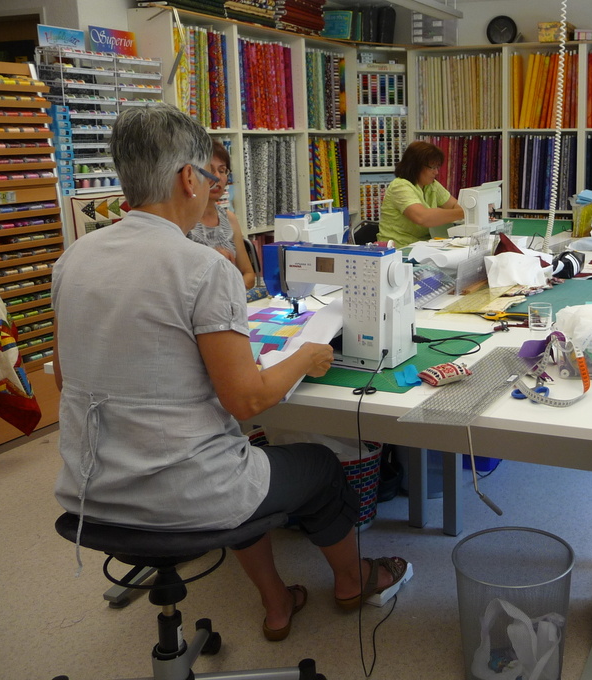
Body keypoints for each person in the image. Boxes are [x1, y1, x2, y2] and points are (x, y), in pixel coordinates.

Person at [53, 104, 408, 642]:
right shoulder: (203, 267)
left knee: (241, 454)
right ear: (187, 178)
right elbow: (247, 401)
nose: (213, 186)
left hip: (91, 492)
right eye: (209, 174)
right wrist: (307, 357)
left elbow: (66, 381)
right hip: (188, 493)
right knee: (317, 465)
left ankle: (277, 602)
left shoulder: (74, 259)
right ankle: (353, 579)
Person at [187, 139, 256, 290]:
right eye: (210, 170)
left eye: (222, 170)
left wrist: (229, 290)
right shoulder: (184, 221)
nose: (217, 177)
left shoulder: (229, 218)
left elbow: (249, 275)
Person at [377, 141, 464, 246]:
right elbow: (422, 217)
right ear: (416, 166)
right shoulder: (399, 186)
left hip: (423, 246)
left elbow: (455, 205)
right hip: (399, 248)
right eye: (432, 167)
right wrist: (462, 213)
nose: (436, 172)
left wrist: (460, 211)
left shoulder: (431, 185)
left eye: (437, 167)